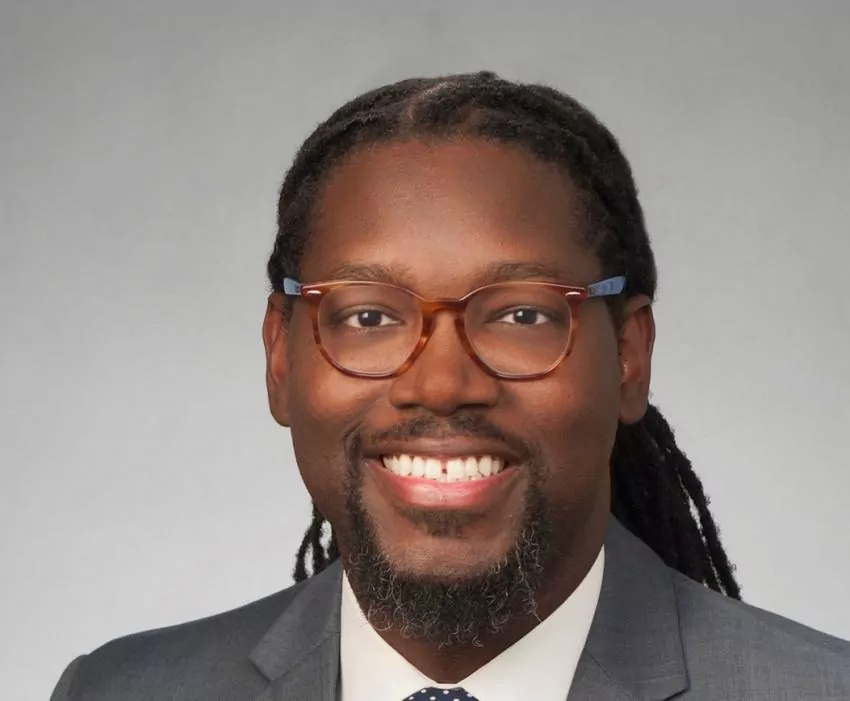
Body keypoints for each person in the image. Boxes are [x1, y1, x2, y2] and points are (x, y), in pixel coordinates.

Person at [50, 71, 850, 701]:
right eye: (367, 315)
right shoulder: (119, 692)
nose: (440, 383)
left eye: (523, 314)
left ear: (629, 356)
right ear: (281, 359)